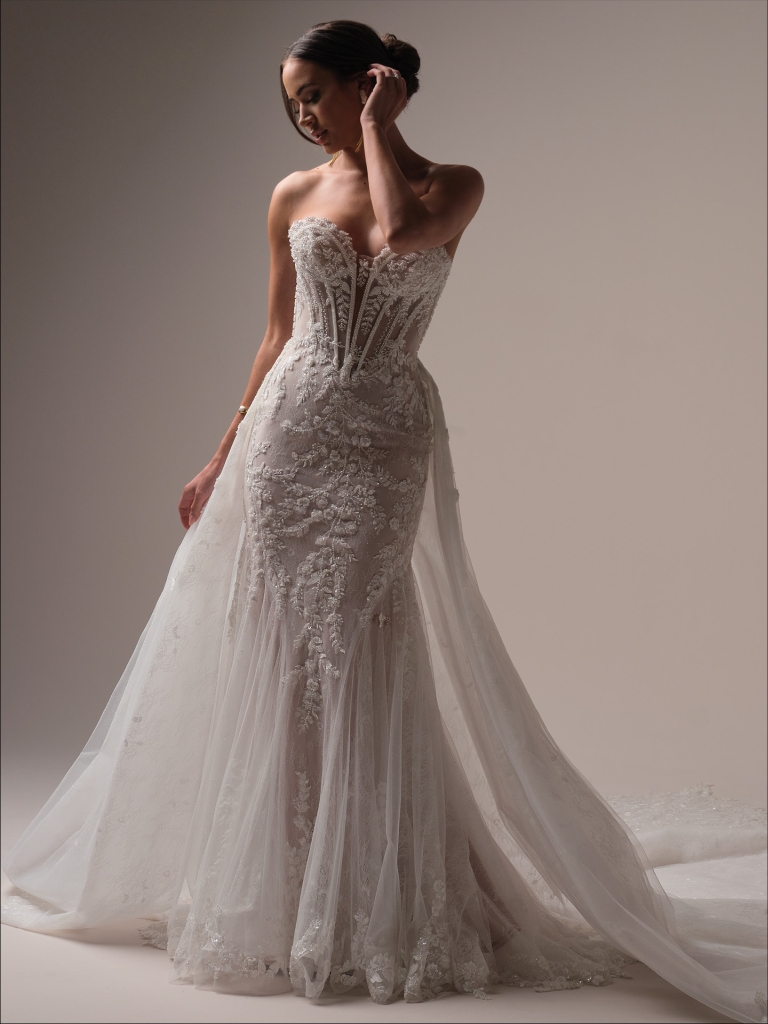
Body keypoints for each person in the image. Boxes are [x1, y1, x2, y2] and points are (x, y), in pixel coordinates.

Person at [2, 19, 765, 1020]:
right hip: (291, 431)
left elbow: (401, 235)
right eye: (292, 102)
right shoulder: (291, 193)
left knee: (363, 637)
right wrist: (222, 451)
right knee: (283, 643)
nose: (302, 116)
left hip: (385, 431)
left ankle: (378, 887)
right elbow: (276, 333)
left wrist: (374, 130)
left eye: (315, 94)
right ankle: (286, 887)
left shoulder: (455, 185)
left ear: (370, 85)